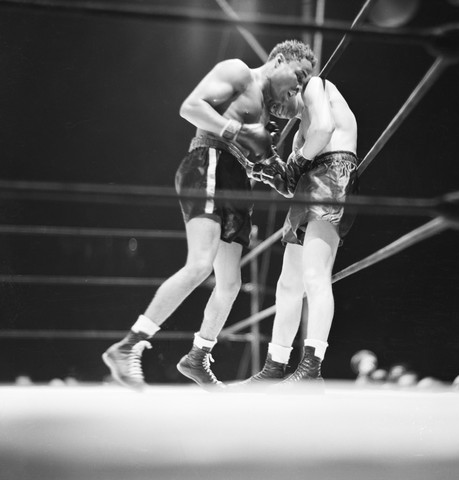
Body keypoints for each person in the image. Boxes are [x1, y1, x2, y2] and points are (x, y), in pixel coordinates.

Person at [102, 40, 317, 389]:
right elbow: (190, 107)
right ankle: (128, 346)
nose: (299, 85)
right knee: (199, 265)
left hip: (235, 180)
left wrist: (274, 167)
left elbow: (284, 129)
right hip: (209, 162)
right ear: (279, 60)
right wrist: (237, 131)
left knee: (230, 284)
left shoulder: (268, 108)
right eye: (299, 74)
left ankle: (197, 356)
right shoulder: (238, 72)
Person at [239, 74, 359, 385]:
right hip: (311, 183)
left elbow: (323, 130)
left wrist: (294, 164)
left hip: (333, 172)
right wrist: (269, 172)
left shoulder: (314, 86)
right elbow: (290, 185)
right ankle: (274, 366)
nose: (278, 110)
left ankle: (311, 369)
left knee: (314, 274)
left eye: (277, 102)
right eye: (273, 109)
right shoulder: (297, 136)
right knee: (288, 285)